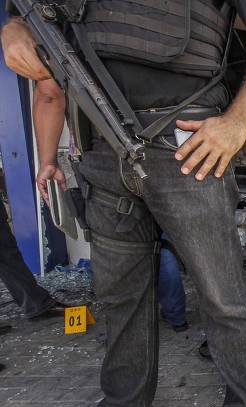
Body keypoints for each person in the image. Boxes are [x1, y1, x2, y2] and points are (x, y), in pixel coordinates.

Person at [2, 1, 246, 407]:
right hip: (100, 154)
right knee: (119, 295)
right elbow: (49, 83)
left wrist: (237, 124)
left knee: (222, 296)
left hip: (186, 151)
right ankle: (125, 406)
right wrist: (13, 28)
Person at [33, 80, 189, 333]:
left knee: (115, 250)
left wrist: (47, 160)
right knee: (164, 242)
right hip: (163, 150)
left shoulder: (75, 45)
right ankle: (176, 316)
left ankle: (127, 329)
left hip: (102, 159)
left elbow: (49, 94)